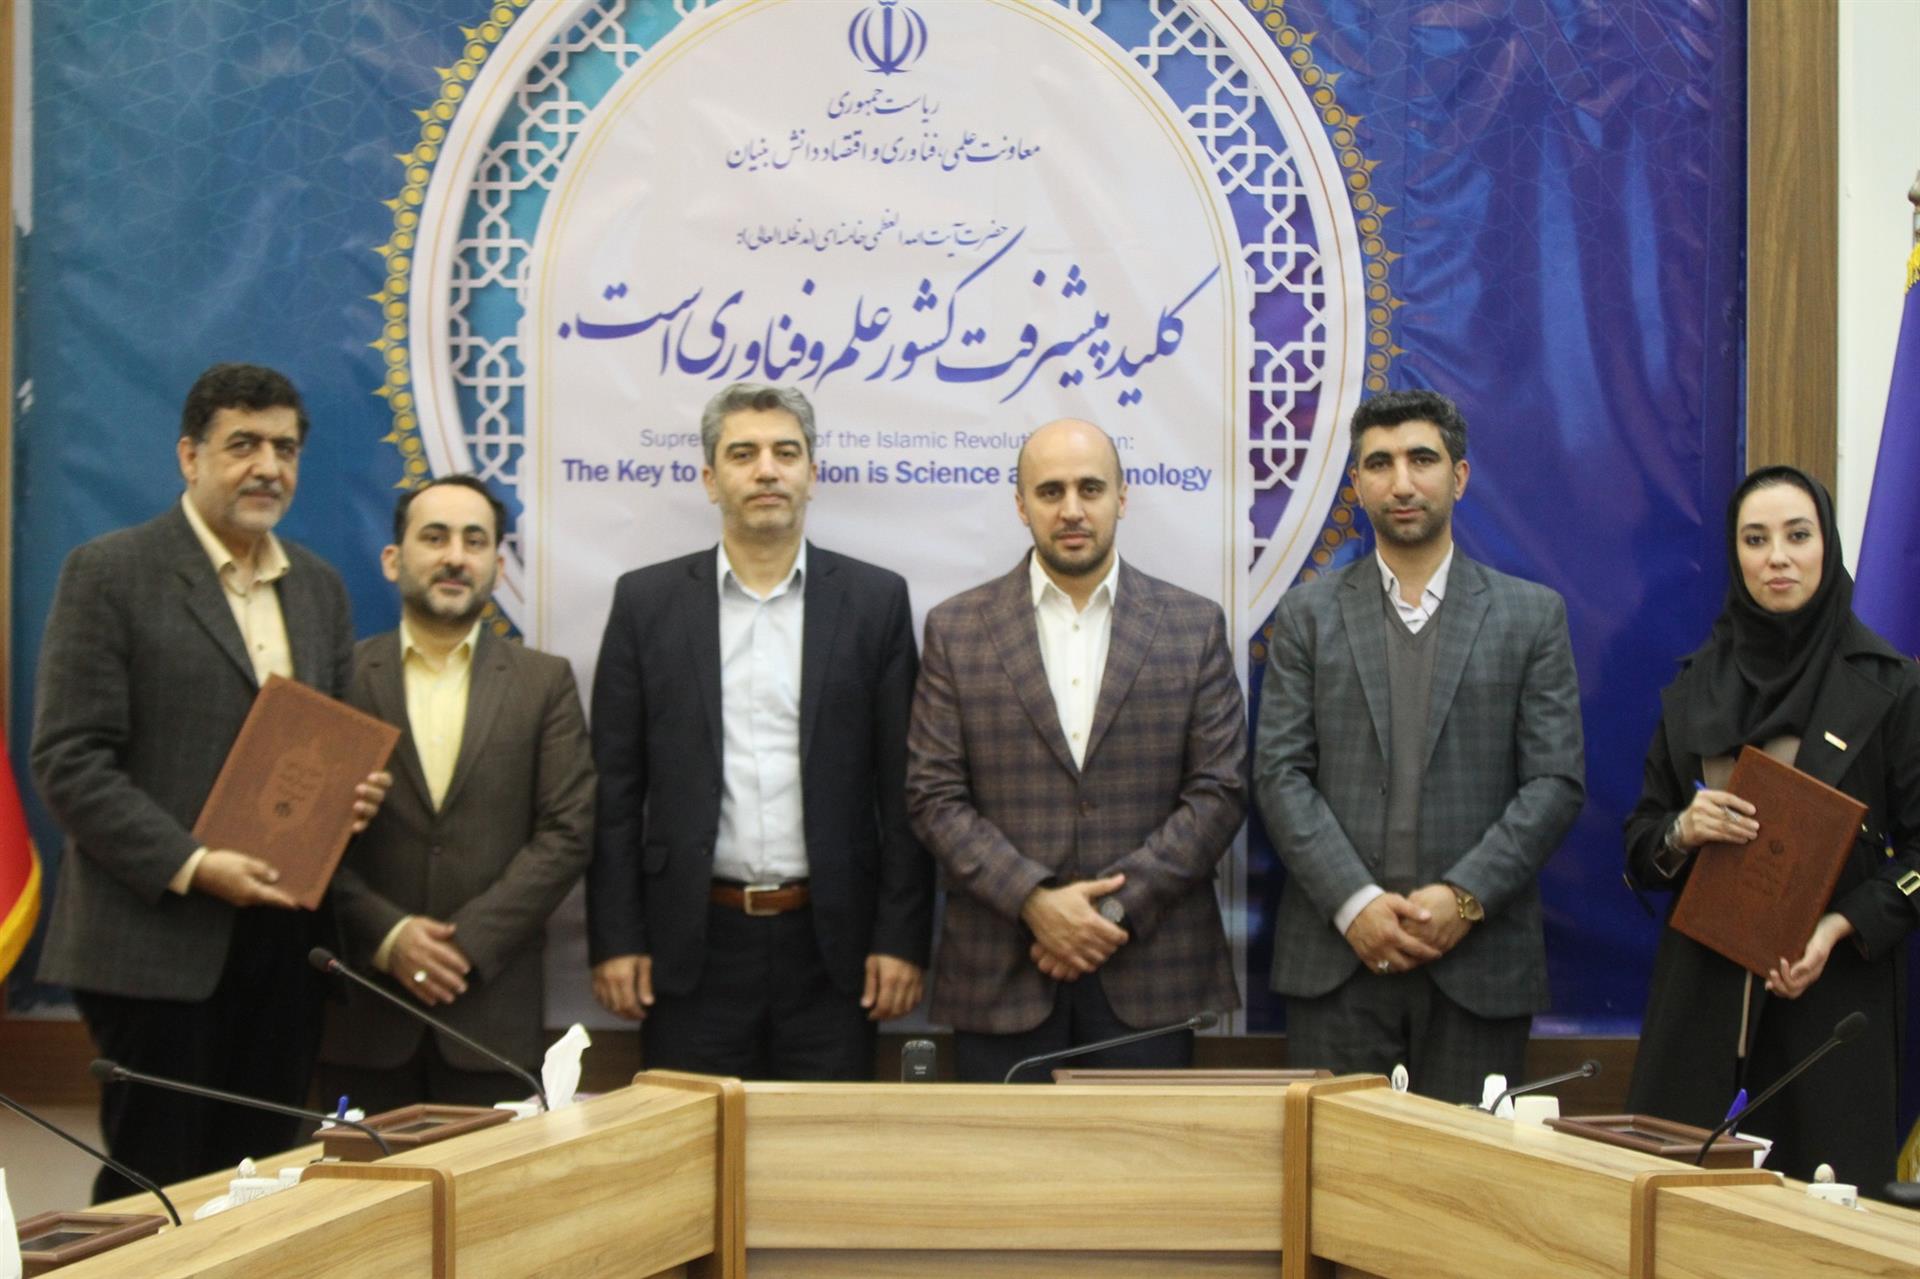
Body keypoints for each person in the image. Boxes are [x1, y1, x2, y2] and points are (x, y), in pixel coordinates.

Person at [31, 363, 388, 1197]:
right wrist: (195, 864)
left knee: (263, 1188)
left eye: (285, 448)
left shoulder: (319, 588)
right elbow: (69, 759)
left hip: (287, 946)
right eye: (244, 445)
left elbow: (329, 747)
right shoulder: (110, 572)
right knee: (156, 1190)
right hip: (157, 942)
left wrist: (354, 796)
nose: (268, 466)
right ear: (190, 456)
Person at [586, 382, 932, 1079]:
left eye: (786, 453)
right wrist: (616, 937)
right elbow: (614, 791)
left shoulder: (874, 601)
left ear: (813, 473)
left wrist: (901, 938)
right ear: (711, 479)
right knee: (694, 1138)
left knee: (824, 1140)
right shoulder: (646, 603)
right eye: (743, 454)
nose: (767, 470)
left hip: (834, 949)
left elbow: (905, 790)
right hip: (690, 944)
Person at [1254, 389, 1584, 1103]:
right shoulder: (1308, 615)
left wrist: (1464, 898)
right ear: (1357, 483)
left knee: (1467, 1171)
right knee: (1334, 1171)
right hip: (1337, 963)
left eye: (1421, 459)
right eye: (1380, 463)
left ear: (1458, 477)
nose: (1401, 482)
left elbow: (1555, 782)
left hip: (1480, 967)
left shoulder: (1531, 616)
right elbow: (1279, 775)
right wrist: (1355, 904)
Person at [907, 418, 1245, 1083]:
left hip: (1151, 973)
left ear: (1122, 496)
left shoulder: (1192, 624)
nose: (1071, 509)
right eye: (1050, 491)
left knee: (1143, 1157)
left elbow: (1221, 790)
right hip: (1002, 970)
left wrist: (1108, 912)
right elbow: (932, 795)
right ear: (1020, 504)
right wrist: (1034, 901)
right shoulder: (957, 628)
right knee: (1003, 1154)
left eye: (1090, 488)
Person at [1624, 465, 1920, 1188]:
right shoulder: (1693, 685)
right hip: (1699, 1011)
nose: (1777, 557)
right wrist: (1681, 830)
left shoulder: (1890, 685)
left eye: (1797, 535)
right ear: (1735, 556)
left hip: (1831, 1014)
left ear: (1827, 545)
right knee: (1684, 1218)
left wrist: (1838, 927)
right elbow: (1639, 843)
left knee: (1823, 1224)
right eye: (1755, 540)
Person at [316, 476, 594, 1114]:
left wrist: (465, 944)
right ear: (394, 559)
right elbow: (306, 837)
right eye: (435, 537)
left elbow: (568, 832)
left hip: (491, 1017)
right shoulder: (337, 679)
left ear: (498, 566)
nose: (455, 557)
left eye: (474, 541)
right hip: (364, 1011)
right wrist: (389, 935)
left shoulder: (543, 683)